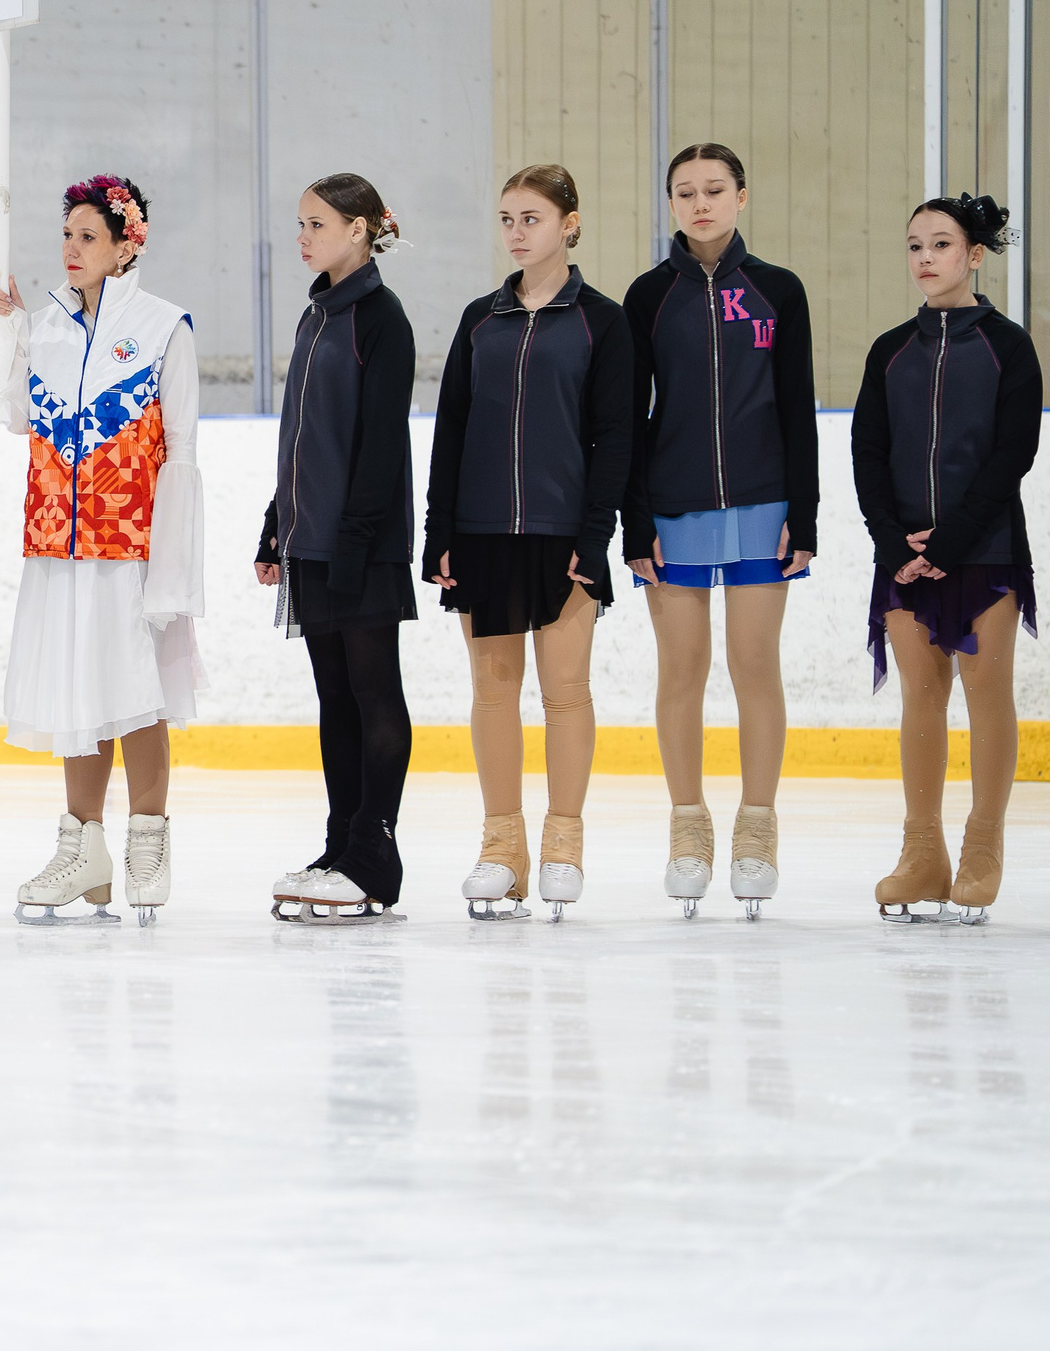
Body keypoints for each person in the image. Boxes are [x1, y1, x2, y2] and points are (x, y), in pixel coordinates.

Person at [0, 173, 205, 926]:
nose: (72, 250)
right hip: (58, 546)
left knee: (137, 693)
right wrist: (11, 333)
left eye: (88, 237)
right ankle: (84, 851)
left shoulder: (164, 328)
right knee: (78, 693)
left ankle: (148, 841)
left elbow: (182, 450)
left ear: (125, 244)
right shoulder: (45, 326)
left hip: (132, 549)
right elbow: (9, 415)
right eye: (67, 236)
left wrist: (174, 567)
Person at [424, 165, 632, 921]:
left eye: (532, 219)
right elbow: (451, 428)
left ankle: (563, 846)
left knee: (566, 692)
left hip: (563, 534)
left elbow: (615, 437)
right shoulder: (479, 320)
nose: (516, 232)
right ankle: (501, 848)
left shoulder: (601, 322)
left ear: (569, 224)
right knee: (492, 692)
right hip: (481, 533)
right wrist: (438, 530)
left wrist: (596, 533)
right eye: (507, 219)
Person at [622, 143, 816, 920]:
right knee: (681, 670)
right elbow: (629, 417)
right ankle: (689, 833)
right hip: (672, 509)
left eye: (714, 189)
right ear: (671, 203)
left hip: (765, 505)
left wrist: (805, 511)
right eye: (685, 192)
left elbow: (797, 406)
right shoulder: (648, 297)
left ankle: (757, 834)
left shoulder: (779, 291)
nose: (700, 204)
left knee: (755, 665)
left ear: (741, 196)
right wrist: (635, 518)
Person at [852, 193, 1039, 924]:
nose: (925, 258)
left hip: (985, 549)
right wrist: (890, 540)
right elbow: (868, 450)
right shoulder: (889, 350)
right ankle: (922, 854)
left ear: (974, 255)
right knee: (920, 697)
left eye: (940, 244)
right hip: (903, 555)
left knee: (987, 694)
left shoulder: (1008, 347)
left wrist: (954, 539)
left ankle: (982, 847)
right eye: (914, 246)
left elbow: (1014, 452)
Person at [258, 173, 417, 923]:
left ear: (359, 228)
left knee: (374, 692)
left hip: (362, 542)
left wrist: (353, 541)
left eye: (316, 224)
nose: (302, 237)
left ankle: (374, 856)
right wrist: (276, 522)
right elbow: (302, 432)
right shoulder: (316, 314)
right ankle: (340, 848)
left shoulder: (381, 318)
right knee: (336, 700)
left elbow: (381, 445)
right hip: (313, 539)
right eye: (301, 223)